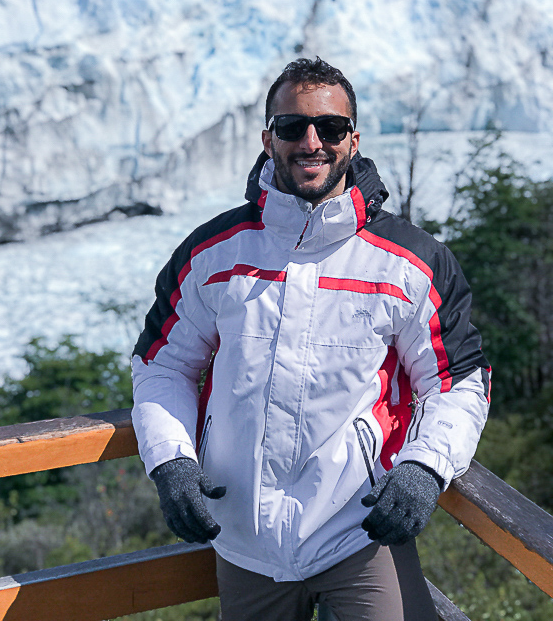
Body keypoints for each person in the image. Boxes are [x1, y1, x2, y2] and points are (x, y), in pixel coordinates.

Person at [132, 57, 491, 621]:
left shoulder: (411, 262)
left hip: (358, 530)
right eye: (292, 126)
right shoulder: (213, 254)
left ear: (353, 139)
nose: (311, 141)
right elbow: (162, 365)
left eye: (329, 128)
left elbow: (458, 382)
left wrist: (424, 469)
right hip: (243, 538)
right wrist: (170, 462)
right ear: (267, 137)